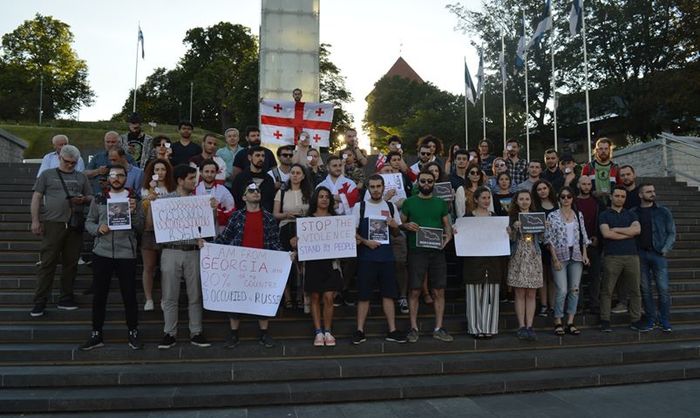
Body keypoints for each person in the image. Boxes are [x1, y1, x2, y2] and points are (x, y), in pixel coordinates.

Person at [80, 165, 143, 350]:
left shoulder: (134, 199)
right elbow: (89, 221)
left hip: (127, 253)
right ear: (108, 178)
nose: (116, 178)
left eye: (120, 175)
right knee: (99, 295)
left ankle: (133, 331)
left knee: (129, 295)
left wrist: (133, 213)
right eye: (113, 175)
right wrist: (97, 229)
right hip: (102, 252)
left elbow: (141, 226)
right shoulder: (99, 198)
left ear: (126, 178)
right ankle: (96, 333)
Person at [214, 182, 282, 348]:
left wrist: (286, 256)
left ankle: (264, 333)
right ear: (244, 197)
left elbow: (275, 242)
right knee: (235, 300)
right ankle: (234, 334)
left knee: (262, 299)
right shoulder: (236, 216)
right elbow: (225, 239)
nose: (256, 192)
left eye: (257, 190)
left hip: (262, 267)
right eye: (251, 191)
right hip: (239, 266)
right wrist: (208, 246)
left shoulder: (268, 218)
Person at [30, 145, 92, 316]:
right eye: (67, 162)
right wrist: (35, 220)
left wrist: (84, 199)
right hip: (53, 223)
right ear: (60, 158)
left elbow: (91, 197)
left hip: (74, 224)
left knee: (71, 263)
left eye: (74, 162)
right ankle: (40, 300)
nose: (70, 165)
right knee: (47, 262)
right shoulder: (47, 175)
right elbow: (36, 197)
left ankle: (66, 297)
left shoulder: (81, 177)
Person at [156, 164, 212, 349]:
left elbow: (208, 229)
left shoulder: (200, 201)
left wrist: (212, 211)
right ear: (180, 180)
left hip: (193, 251)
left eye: (194, 178)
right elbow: (154, 226)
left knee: (195, 294)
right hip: (171, 250)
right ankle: (169, 333)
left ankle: (196, 332)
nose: (194, 181)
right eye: (191, 178)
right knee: (169, 294)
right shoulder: (164, 201)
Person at [352, 175, 406, 344]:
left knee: (389, 294)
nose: (375, 190)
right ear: (368, 188)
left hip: (386, 257)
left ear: (383, 187)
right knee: (363, 295)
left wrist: (395, 226)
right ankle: (359, 330)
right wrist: (365, 242)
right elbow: (352, 232)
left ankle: (392, 330)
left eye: (378, 186)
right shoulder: (359, 207)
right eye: (372, 186)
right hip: (366, 257)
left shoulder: (390, 206)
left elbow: (396, 234)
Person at [401, 170, 454, 343]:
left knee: (439, 289)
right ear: (417, 182)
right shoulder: (409, 202)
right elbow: (401, 223)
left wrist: (448, 237)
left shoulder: (440, 203)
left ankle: (439, 327)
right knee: (415, 289)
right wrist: (406, 225)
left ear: (434, 183)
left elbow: (447, 224)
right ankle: (413, 327)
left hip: (437, 250)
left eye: (429, 181)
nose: (426, 184)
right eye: (423, 181)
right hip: (416, 250)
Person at [294, 187, 344, 346]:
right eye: (321, 196)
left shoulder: (336, 219)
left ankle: (328, 331)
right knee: (315, 297)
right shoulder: (307, 220)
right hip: (312, 263)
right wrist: (295, 242)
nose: (324, 199)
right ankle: (318, 332)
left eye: (327, 197)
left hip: (331, 263)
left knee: (329, 297)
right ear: (315, 199)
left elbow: (343, 238)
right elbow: (298, 240)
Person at [598, 186, 646, 332]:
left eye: (623, 196)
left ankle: (636, 320)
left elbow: (637, 230)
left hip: (632, 256)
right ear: (611, 197)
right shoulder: (604, 215)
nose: (620, 199)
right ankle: (605, 320)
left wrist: (617, 229)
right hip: (612, 257)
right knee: (607, 290)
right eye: (617, 196)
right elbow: (606, 234)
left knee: (635, 290)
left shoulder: (631, 214)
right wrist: (628, 234)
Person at [458, 186, 503, 339]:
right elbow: (462, 237)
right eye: (483, 198)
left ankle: (489, 327)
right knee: (473, 296)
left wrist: (507, 232)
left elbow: (501, 238)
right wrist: (457, 231)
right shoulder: (467, 218)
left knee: (491, 296)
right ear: (476, 199)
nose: (486, 200)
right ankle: (475, 328)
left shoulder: (496, 218)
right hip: (473, 262)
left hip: (492, 263)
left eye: (488, 198)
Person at [545, 186, 590, 336]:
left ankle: (570, 321)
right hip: (559, 255)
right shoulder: (552, 216)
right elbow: (549, 238)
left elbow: (583, 235)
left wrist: (585, 254)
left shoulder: (578, 214)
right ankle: (558, 319)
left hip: (576, 254)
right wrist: (554, 258)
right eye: (563, 196)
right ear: (559, 198)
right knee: (562, 290)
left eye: (569, 196)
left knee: (574, 289)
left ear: (572, 198)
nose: (566, 199)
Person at [631, 183, 676, 331]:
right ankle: (651, 318)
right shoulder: (633, 212)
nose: (652, 194)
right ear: (640, 195)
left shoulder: (663, 211)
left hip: (658, 254)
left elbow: (671, 232)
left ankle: (664, 320)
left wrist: (665, 249)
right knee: (645, 289)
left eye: (653, 191)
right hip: (640, 254)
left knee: (663, 288)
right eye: (648, 191)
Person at [273, 164, 311, 309]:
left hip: (303, 229)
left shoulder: (309, 193)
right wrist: (286, 215)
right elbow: (275, 214)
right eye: (293, 172)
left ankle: (301, 295)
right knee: (286, 262)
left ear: (303, 176)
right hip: (286, 228)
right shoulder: (281, 192)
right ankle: (287, 297)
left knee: (303, 264)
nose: (295, 175)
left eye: (298, 173)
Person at [507, 190, 543, 341]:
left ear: (530, 201)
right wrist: (513, 229)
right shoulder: (511, 219)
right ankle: (521, 326)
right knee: (520, 293)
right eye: (521, 199)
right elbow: (509, 240)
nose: (524, 201)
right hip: (518, 256)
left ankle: (530, 326)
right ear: (516, 201)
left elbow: (542, 239)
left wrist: (544, 227)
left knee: (532, 293)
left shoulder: (537, 217)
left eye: (527, 199)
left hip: (534, 256)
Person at [140, 159, 176, 311]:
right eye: (157, 170)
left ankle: (163, 298)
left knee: (165, 268)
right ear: (152, 172)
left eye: (163, 169)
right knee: (148, 267)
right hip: (149, 231)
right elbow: (142, 211)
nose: (160, 172)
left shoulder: (173, 189)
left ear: (167, 172)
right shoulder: (145, 189)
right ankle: (149, 299)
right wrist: (150, 194)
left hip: (168, 232)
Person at [575, 176, 606, 315]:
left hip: (594, 244)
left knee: (595, 276)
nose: (586, 187)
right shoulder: (573, 202)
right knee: (577, 277)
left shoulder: (598, 203)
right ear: (578, 185)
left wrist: (598, 237)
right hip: (577, 245)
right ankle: (579, 305)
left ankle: (594, 304)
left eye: (588, 184)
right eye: (583, 184)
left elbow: (602, 221)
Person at [84, 131, 134, 195]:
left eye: (113, 142)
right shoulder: (98, 157)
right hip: (99, 194)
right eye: (108, 142)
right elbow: (85, 174)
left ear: (119, 143)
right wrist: (98, 171)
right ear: (104, 143)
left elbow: (135, 174)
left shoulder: (128, 158)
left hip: (122, 195)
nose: (110, 144)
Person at [230, 146, 277, 213]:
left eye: (263, 156)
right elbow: (235, 199)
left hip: (264, 216)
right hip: (244, 216)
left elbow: (271, 201)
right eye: (257, 155)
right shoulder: (240, 178)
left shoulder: (269, 179)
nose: (261, 158)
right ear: (249, 157)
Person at [194, 159, 235, 232]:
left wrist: (217, 212)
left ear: (216, 173)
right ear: (201, 172)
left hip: (218, 231)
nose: (209, 175)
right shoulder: (194, 190)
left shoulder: (223, 191)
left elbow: (232, 212)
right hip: (199, 231)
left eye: (212, 172)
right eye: (206, 171)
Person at [581, 137, 621, 205]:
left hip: (612, 204)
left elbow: (620, 187)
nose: (603, 151)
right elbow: (582, 186)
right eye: (601, 149)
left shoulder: (615, 168)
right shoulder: (588, 167)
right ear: (596, 150)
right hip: (593, 203)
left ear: (610, 150)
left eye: (606, 149)